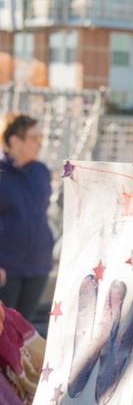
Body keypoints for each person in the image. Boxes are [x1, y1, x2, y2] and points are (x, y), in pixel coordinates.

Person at [0, 113, 55, 326]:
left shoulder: (41, 172)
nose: (39, 144)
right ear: (15, 141)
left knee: (25, 331)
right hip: (7, 269)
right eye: (34, 138)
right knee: (5, 333)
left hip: (38, 265)